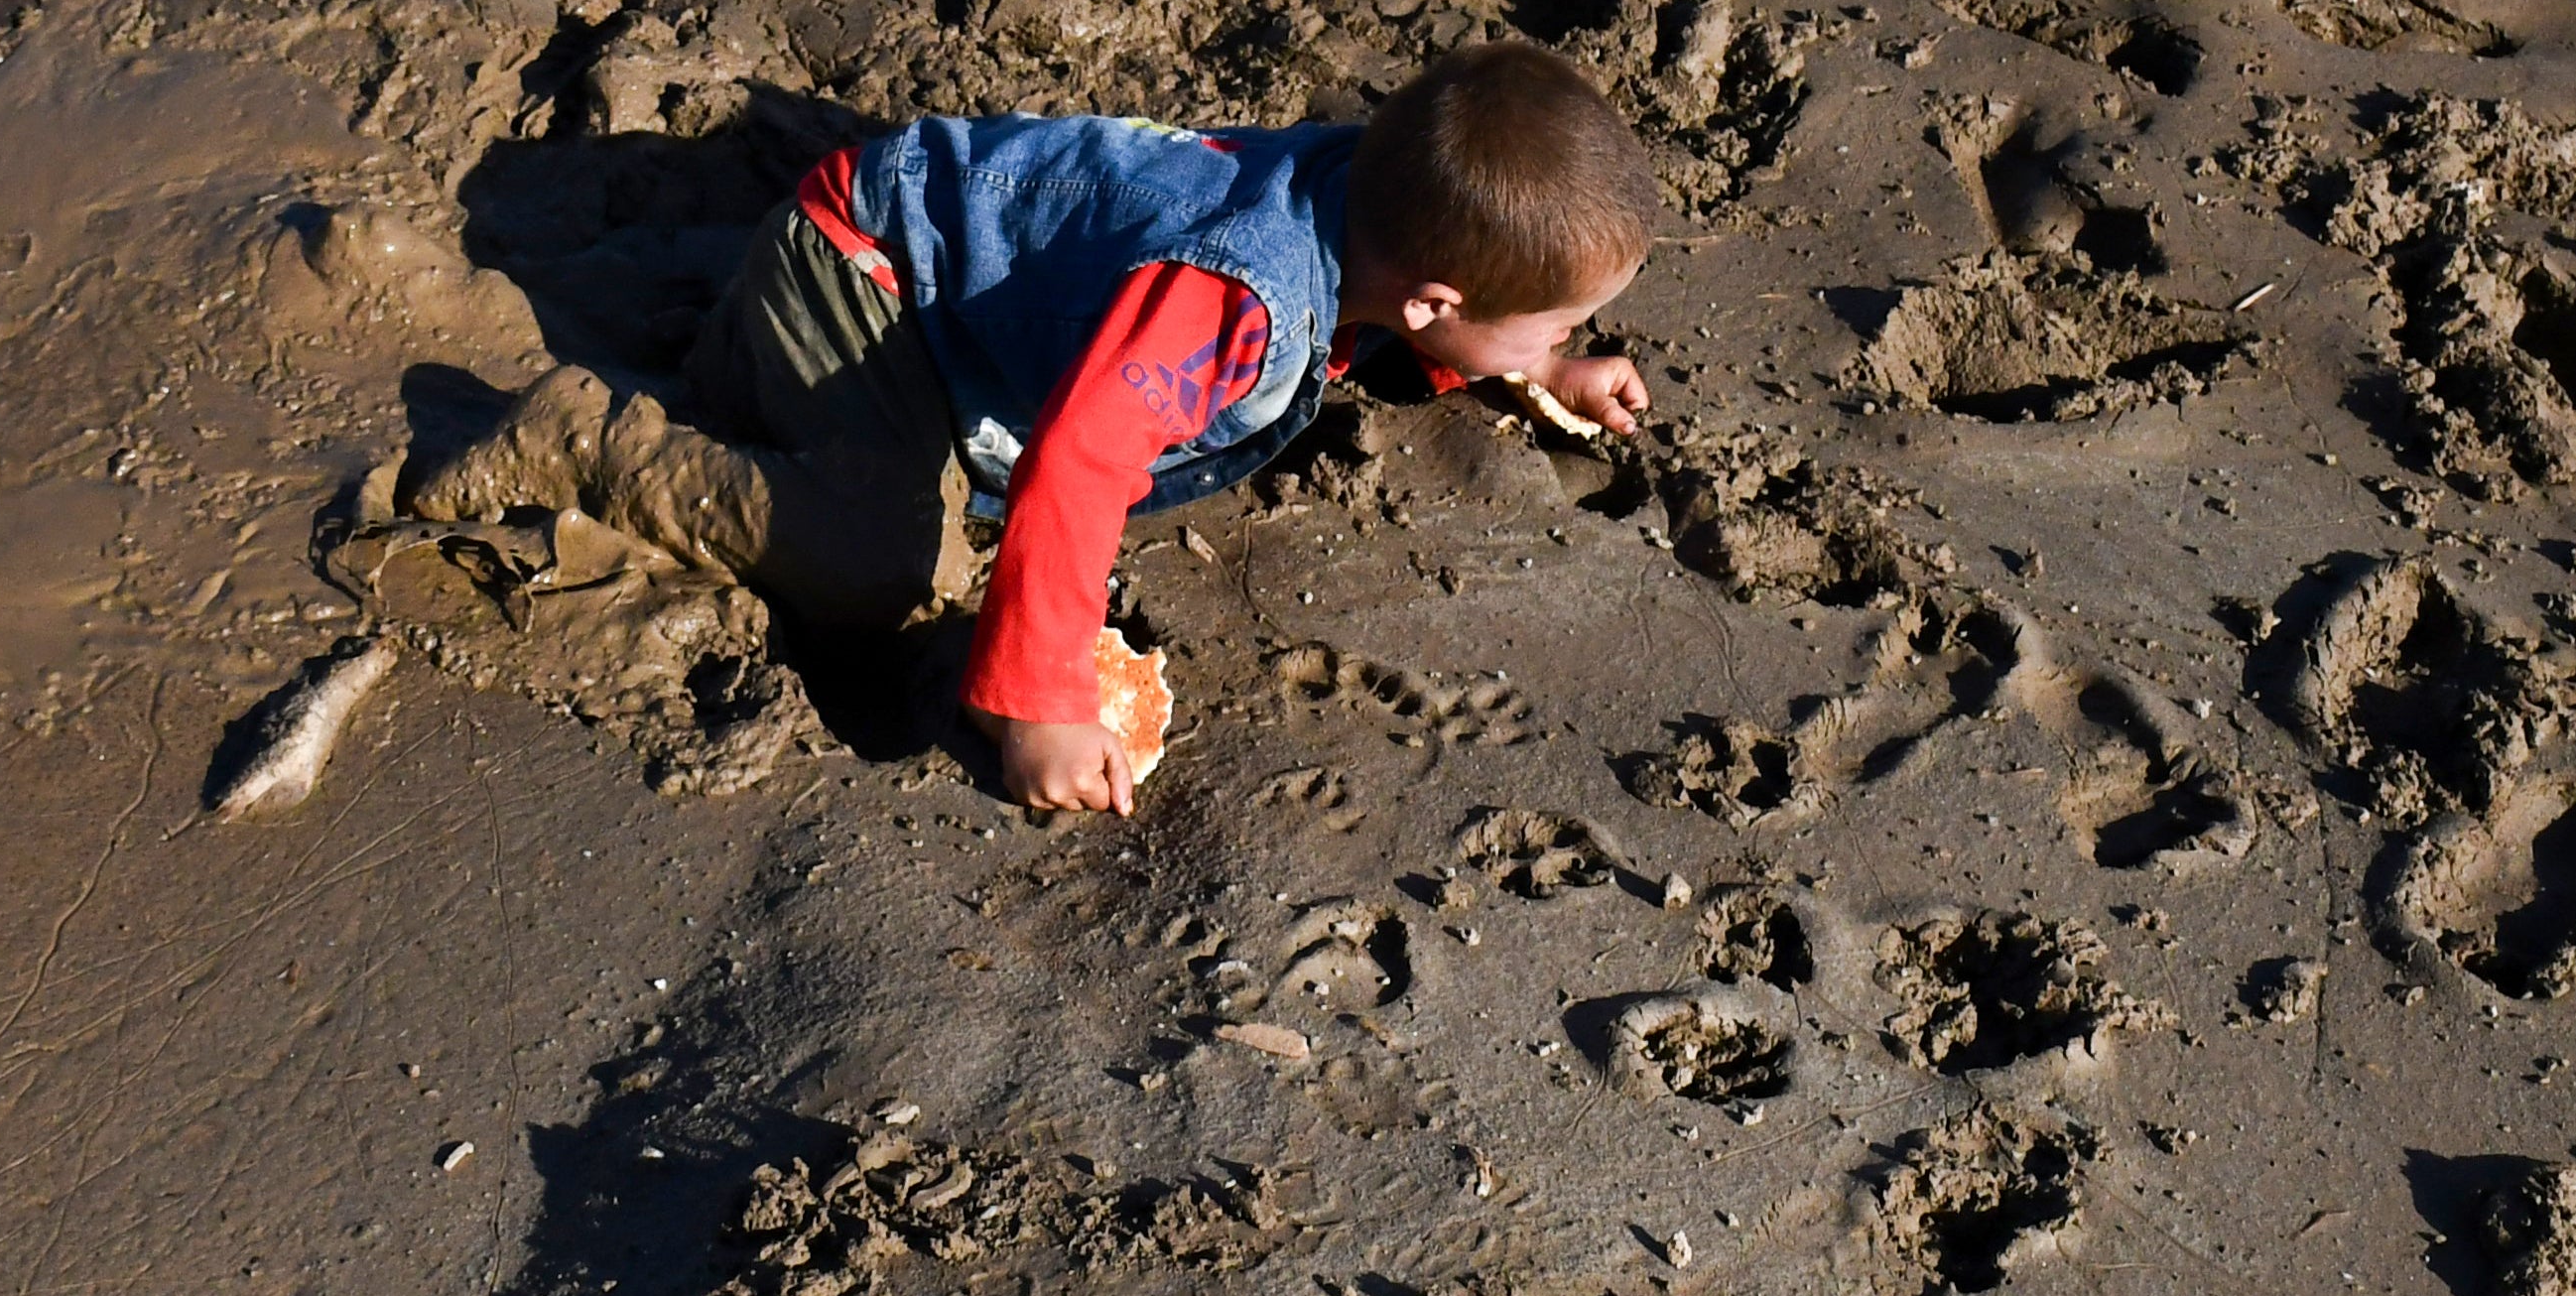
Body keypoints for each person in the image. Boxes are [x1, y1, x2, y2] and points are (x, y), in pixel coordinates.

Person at [394, 40, 1667, 816]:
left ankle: (734, 361)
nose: (1566, 337)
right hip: (864, 271)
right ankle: (592, 437)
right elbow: (1085, 459)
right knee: (875, 564)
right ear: (1437, 300)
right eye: (1558, 318)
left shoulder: (1374, 200)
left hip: (958, 275)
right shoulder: (1235, 301)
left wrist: (1541, 363)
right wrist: (1040, 697)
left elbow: (1439, 305)